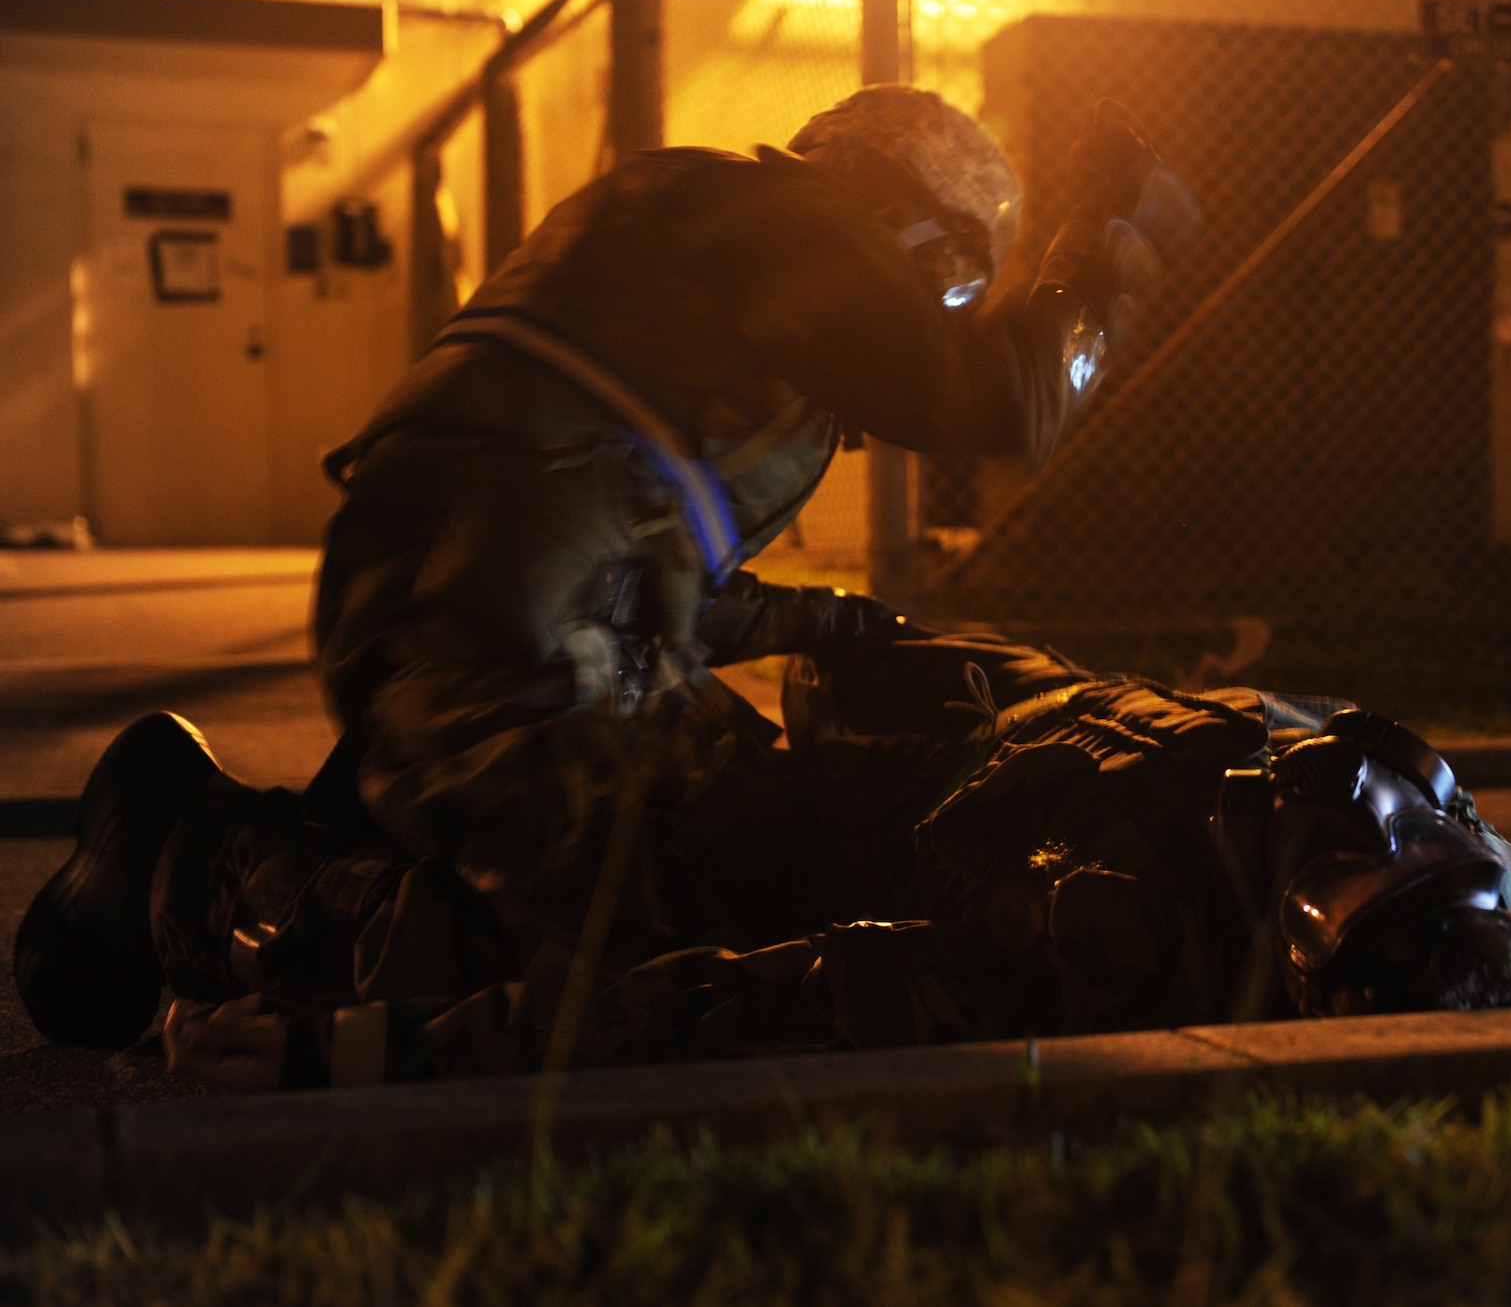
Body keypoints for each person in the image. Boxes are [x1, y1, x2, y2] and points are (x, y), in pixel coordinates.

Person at [12, 86, 1197, 1072]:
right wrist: (1105, 236)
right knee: (655, 935)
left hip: (499, 621)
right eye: (943, 283)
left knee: (768, 820)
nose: (931, 310)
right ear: (908, 215)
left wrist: (830, 620)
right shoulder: (795, 221)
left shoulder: (689, 228)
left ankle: (318, 847)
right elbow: (1004, 398)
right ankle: (210, 872)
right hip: (505, 640)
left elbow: (630, 539)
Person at [17, 635, 1511, 1089]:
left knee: (607, 881)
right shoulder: (1437, 833)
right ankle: (256, 865)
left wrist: (363, 1063)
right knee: (609, 773)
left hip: (904, 814)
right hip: (931, 736)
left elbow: (751, 1003)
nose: (1346, 853)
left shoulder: (1123, 947)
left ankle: (205, 899)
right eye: (1361, 847)